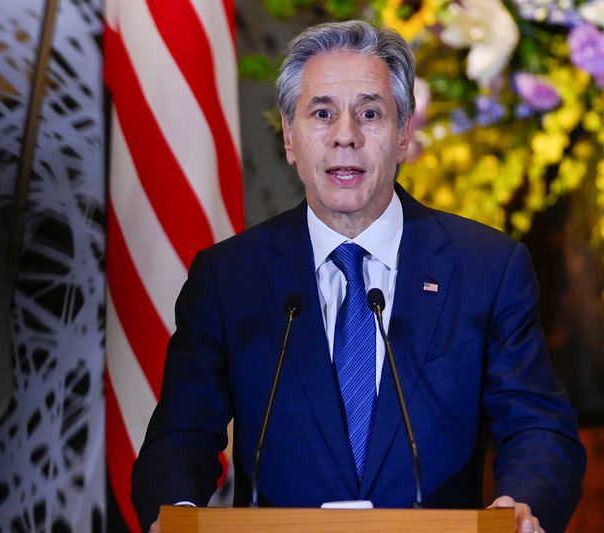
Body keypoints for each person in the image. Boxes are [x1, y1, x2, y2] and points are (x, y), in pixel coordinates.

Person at [131, 21, 585, 533]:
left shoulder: (486, 269)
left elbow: (538, 428)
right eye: (322, 113)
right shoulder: (229, 278)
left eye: (370, 113)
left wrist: (520, 505)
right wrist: (179, 517)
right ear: (289, 136)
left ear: (403, 134)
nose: (345, 136)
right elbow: (180, 437)